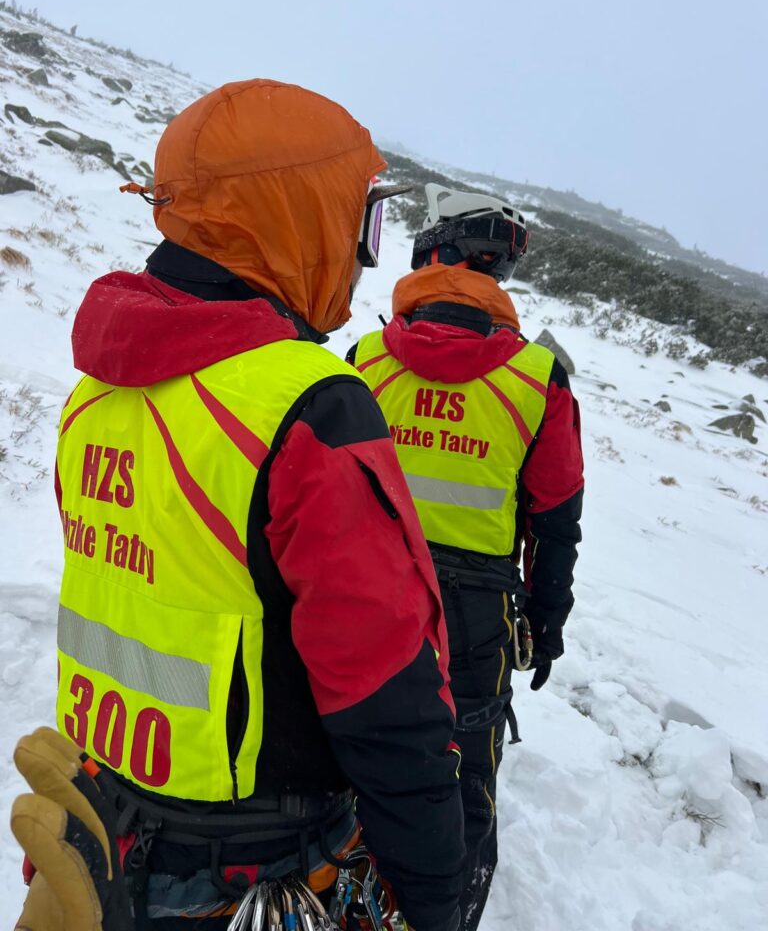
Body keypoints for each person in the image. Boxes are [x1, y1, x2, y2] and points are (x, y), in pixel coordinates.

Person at [10, 84, 465, 931]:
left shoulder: (98, 391)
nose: (365, 257)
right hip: (258, 875)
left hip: (104, 841)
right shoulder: (309, 406)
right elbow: (384, 692)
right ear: (298, 218)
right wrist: (436, 893)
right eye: (362, 223)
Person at [350, 183, 584, 931]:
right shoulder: (537, 381)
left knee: (354, 736)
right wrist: (546, 622)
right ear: (497, 276)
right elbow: (555, 518)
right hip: (477, 614)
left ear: (431, 257)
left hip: (364, 590)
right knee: (465, 771)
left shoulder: (362, 360)